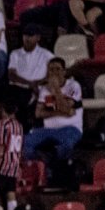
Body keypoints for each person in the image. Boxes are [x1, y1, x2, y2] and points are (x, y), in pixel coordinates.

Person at [23, 58, 83, 186]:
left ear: (64, 71)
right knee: (25, 142)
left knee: (66, 145)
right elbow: (38, 113)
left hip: (70, 128)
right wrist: (61, 112)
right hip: (48, 130)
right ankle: (41, 165)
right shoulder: (45, 89)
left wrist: (56, 89)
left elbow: (67, 107)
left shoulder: (74, 85)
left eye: (57, 69)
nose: (54, 72)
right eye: (51, 69)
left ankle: (55, 174)